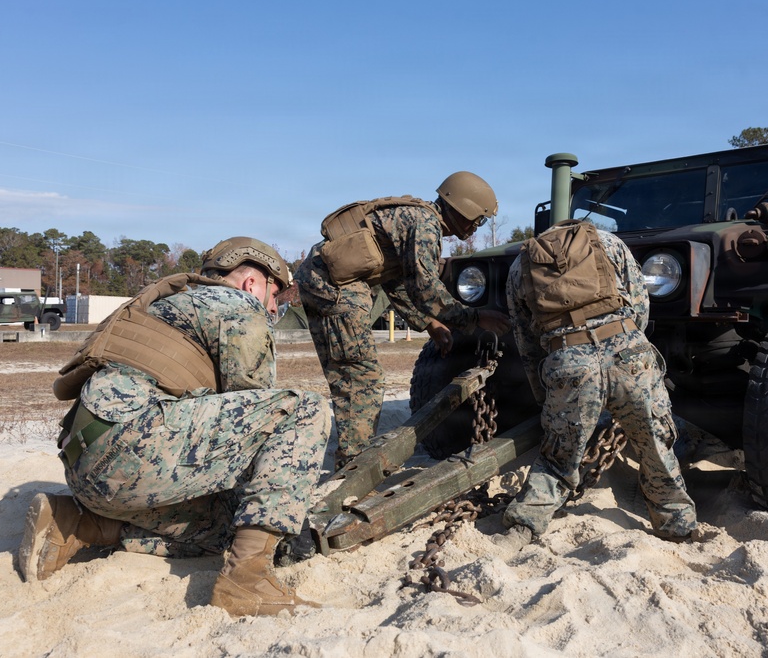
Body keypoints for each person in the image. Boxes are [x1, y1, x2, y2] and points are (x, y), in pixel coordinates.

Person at [18, 237, 331, 617]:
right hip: (134, 447)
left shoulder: (159, 305)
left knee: (227, 528)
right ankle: (247, 582)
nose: (271, 309)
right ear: (254, 284)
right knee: (304, 409)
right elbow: (260, 416)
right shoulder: (238, 305)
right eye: (275, 300)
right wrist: (286, 512)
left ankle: (80, 525)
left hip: (85, 467)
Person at [499, 219, 697, 546]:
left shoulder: (521, 265)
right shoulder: (608, 242)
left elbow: (526, 342)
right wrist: (627, 344)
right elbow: (640, 306)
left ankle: (523, 527)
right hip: (629, 355)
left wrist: (545, 393)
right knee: (655, 448)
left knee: (558, 456)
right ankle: (677, 526)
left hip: (568, 363)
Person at [295, 172, 512, 466]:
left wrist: (428, 323)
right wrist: (474, 319)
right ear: (465, 210)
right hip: (334, 287)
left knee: (351, 374)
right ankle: (353, 465)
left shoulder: (418, 218)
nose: (477, 227)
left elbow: (396, 280)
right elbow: (425, 288)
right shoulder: (425, 225)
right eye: (479, 219)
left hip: (324, 281)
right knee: (361, 377)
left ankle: (351, 456)